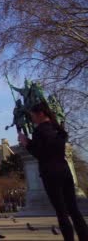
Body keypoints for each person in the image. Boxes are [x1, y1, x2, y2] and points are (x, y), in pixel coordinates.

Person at [19, 102, 88, 241]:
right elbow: (53, 150)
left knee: (61, 212)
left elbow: (41, 153)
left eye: (33, 116)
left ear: (41, 114)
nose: (32, 119)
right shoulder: (58, 129)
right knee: (74, 210)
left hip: (50, 173)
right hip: (65, 171)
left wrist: (26, 143)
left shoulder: (40, 131)